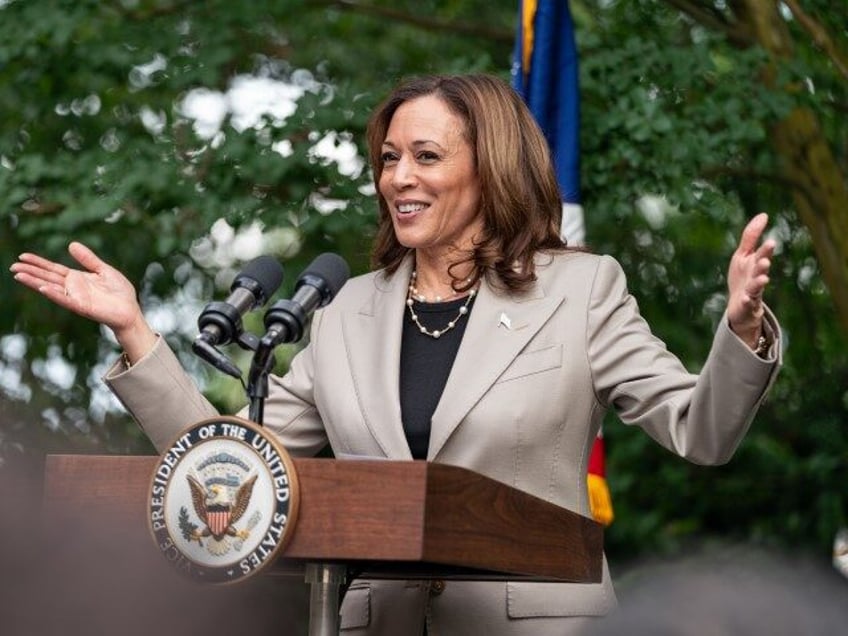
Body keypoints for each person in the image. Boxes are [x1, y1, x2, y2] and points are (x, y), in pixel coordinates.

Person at [11, 73, 781, 635]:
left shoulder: (579, 292)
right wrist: (137, 333)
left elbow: (699, 431)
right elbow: (236, 467)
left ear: (492, 166)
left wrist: (742, 328)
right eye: (387, 159)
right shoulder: (347, 311)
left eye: (424, 156)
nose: (398, 179)